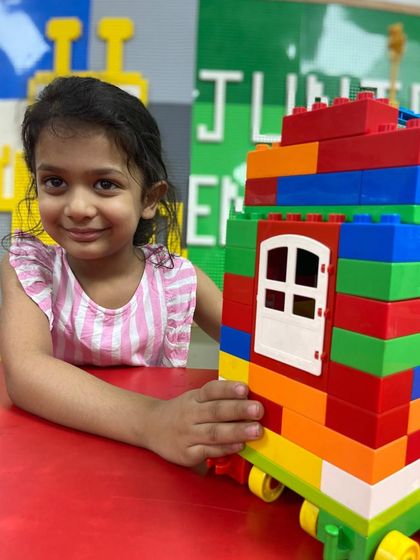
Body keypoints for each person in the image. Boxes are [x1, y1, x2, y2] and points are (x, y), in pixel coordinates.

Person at [0, 76, 263, 467]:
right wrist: (153, 421)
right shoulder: (30, 269)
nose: (78, 207)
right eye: (55, 182)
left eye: (105, 184)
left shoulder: (176, 281)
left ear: (149, 199)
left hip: (151, 471)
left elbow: (259, 347)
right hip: (49, 463)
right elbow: (26, 371)